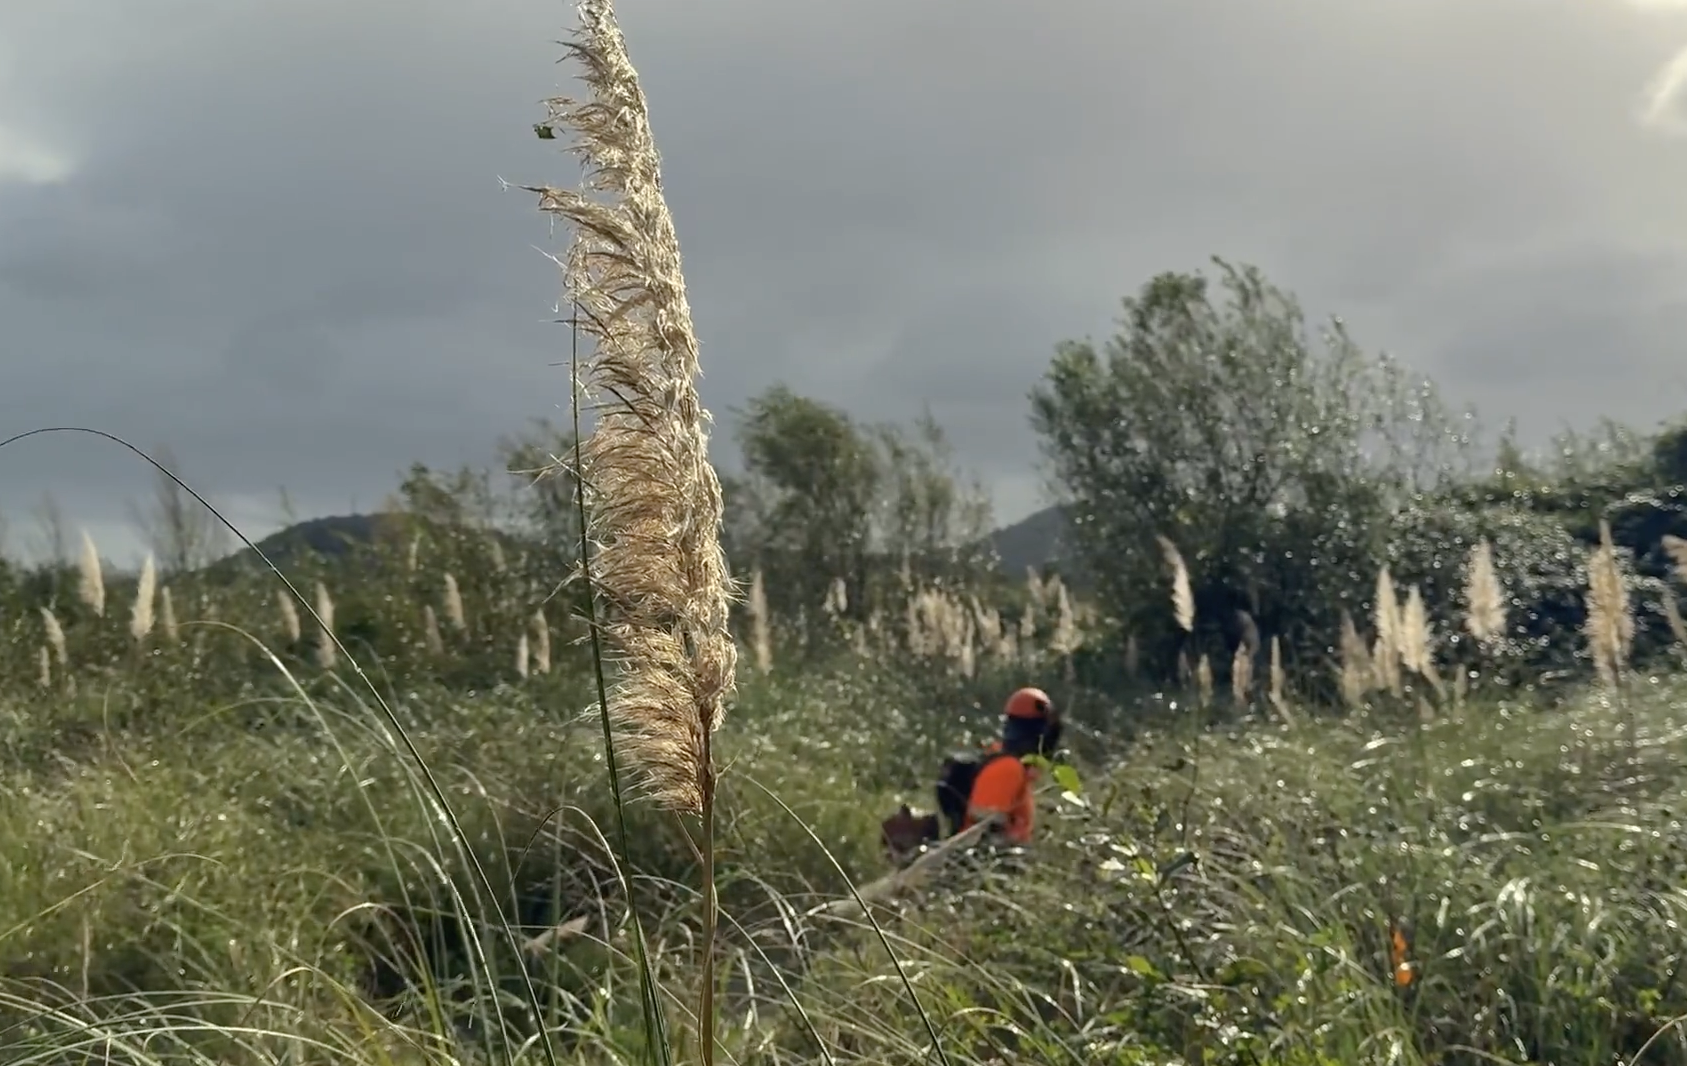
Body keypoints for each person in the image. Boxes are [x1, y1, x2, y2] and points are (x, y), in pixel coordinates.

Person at [940, 686, 1063, 847]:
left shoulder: (1014, 765)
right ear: (1040, 734)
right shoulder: (1008, 768)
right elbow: (981, 832)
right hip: (977, 863)